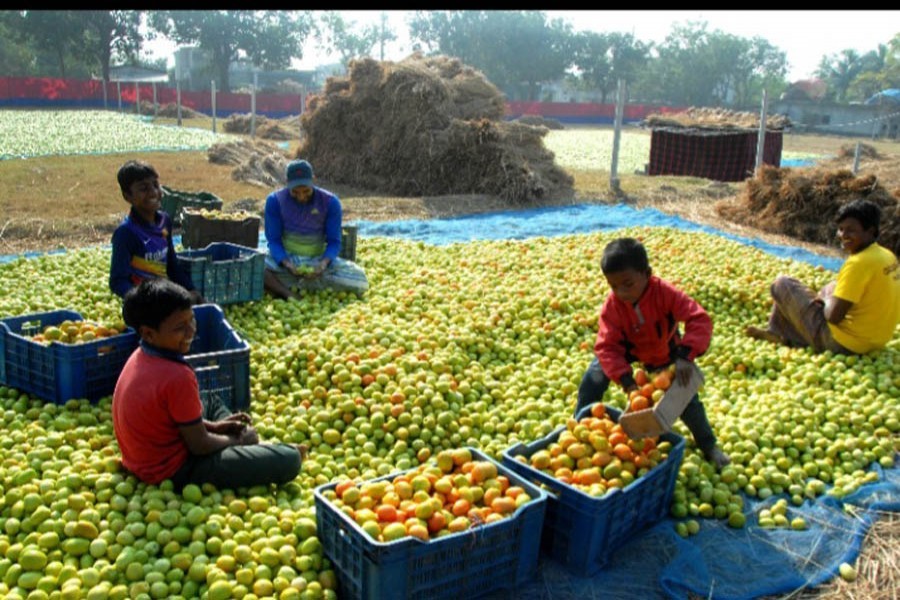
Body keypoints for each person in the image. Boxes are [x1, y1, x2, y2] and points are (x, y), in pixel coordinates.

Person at [112, 277, 304, 491]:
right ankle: (249, 446)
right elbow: (199, 445)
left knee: (209, 400)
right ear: (149, 333)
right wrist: (239, 442)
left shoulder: (140, 355)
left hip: (140, 459)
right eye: (179, 328)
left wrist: (218, 427)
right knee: (290, 459)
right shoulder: (177, 376)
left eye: (191, 320)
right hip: (172, 471)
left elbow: (176, 423)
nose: (191, 331)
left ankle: (237, 441)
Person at [576, 237, 731, 469]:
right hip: (630, 350)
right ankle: (580, 425)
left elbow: (698, 319)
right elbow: (607, 346)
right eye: (613, 286)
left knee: (685, 396)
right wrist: (627, 381)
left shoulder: (664, 294)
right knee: (594, 376)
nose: (621, 292)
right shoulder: (613, 305)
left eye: (627, 284)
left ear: (646, 273)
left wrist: (685, 357)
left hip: (664, 352)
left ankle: (709, 445)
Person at [745, 199, 900, 354]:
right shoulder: (887, 256)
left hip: (844, 345)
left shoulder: (858, 263)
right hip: (876, 342)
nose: (843, 235)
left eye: (851, 230)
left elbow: (833, 317)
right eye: (840, 229)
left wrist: (826, 298)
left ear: (871, 231)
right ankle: (780, 331)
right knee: (832, 285)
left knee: (782, 284)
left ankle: (780, 333)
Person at [263, 159, 369, 299]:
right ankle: (288, 293)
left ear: (313, 180)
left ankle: (285, 284)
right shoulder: (275, 201)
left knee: (360, 280)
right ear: (287, 183)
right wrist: (287, 263)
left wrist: (323, 264)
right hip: (287, 259)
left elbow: (334, 242)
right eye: (295, 192)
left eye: (306, 191)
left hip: (317, 260)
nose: (301, 197)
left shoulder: (330, 202)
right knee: (256, 265)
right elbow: (273, 240)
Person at [109, 159, 204, 304]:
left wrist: (191, 290)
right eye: (143, 188)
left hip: (163, 297)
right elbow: (117, 281)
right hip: (143, 305)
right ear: (127, 196)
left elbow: (172, 266)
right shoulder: (126, 233)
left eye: (155, 185)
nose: (153, 192)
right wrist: (141, 302)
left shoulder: (164, 222)